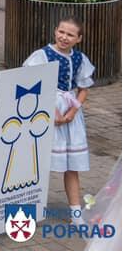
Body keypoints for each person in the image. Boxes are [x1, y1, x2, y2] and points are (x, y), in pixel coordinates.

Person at [23, 17, 95, 224]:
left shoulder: (80, 58)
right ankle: (29, 207)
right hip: (44, 109)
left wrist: (73, 111)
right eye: (61, 32)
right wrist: (51, 110)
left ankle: (75, 212)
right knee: (38, 160)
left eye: (70, 34)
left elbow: (83, 88)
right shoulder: (42, 55)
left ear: (78, 39)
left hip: (70, 110)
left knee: (71, 165)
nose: (64, 37)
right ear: (55, 31)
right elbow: (31, 83)